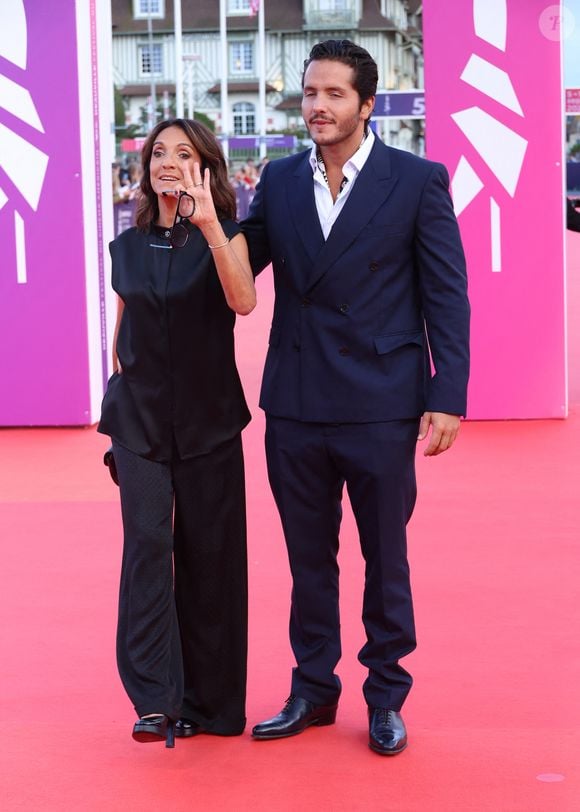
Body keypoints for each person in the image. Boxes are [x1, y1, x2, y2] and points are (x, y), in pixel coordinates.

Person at [242, 40, 470, 755]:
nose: (318, 106)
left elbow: (446, 295)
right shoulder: (277, 183)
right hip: (297, 400)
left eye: (334, 94)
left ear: (367, 105)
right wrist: (186, 223)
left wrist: (448, 394)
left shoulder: (416, 180)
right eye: (310, 93)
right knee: (308, 559)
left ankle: (386, 695)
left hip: (381, 400)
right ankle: (312, 689)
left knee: (385, 555)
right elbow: (238, 266)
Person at [98, 118, 256, 747]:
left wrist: (210, 223)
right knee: (145, 548)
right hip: (137, 419)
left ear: (205, 166)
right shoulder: (126, 246)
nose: (166, 161)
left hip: (209, 418)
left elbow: (243, 302)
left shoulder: (225, 237)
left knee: (210, 557)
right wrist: (118, 391)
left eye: (182, 153)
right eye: (158, 153)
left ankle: (211, 704)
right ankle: (154, 699)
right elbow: (124, 328)